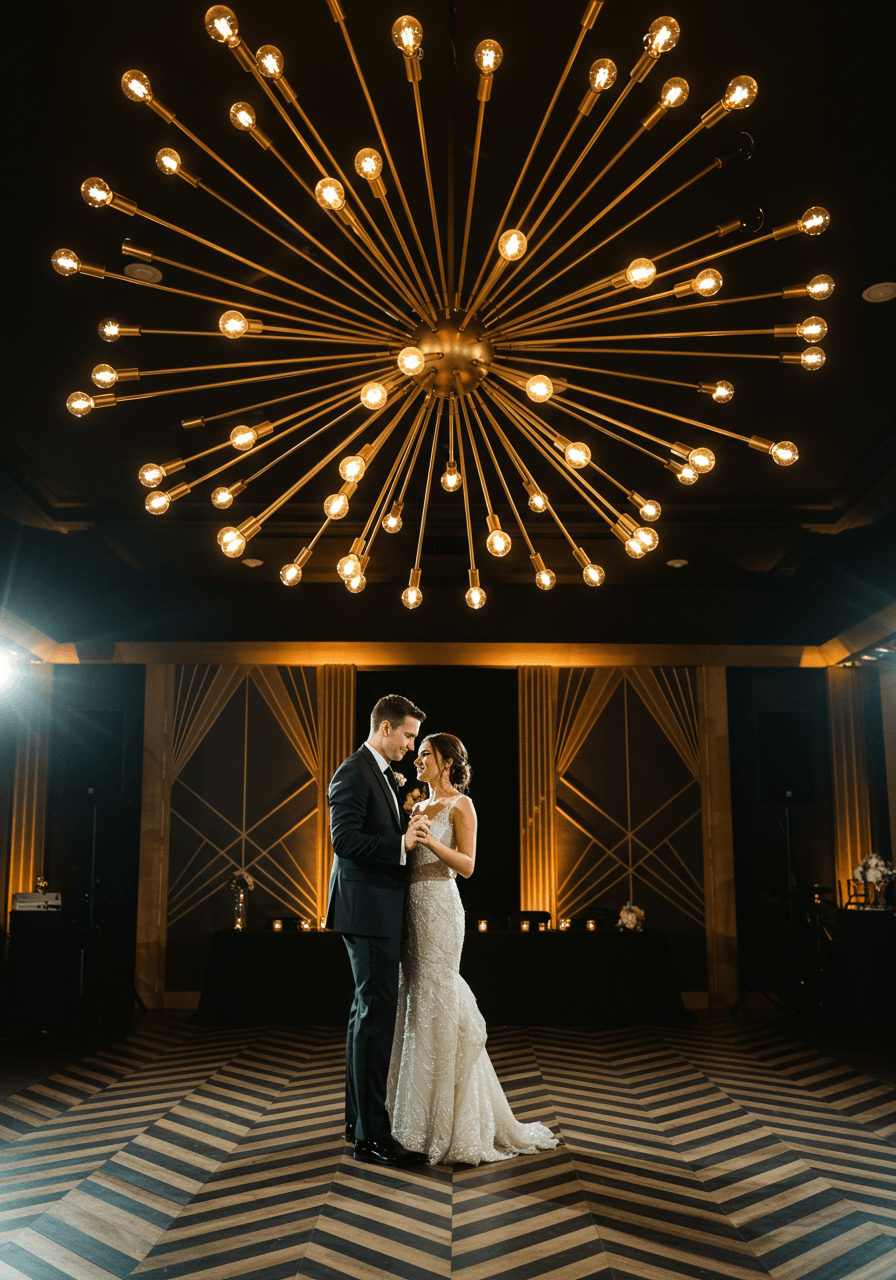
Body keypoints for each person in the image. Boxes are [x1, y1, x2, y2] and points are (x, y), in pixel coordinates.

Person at [387, 732, 559, 1165]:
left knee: (439, 993)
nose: (418, 760)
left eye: (426, 755)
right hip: (412, 909)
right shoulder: (416, 806)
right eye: (419, 753)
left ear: (446, 763)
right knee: (414, 998)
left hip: (443, 907)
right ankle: (412, 1120)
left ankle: (455, 1120)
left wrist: (429, 841)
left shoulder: (461, 805)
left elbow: (467, 865)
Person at [326, 694, 430, 1167]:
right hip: (366, 911)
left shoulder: (379, 774)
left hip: (373, 909)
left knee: (363, 1016)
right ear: (384, 728)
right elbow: (343, 840)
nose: (411, 746)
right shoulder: (353, 771)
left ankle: (357, 1122)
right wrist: (401, 842)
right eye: (408, 735)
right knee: (375, 1018)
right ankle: (373, 1138)